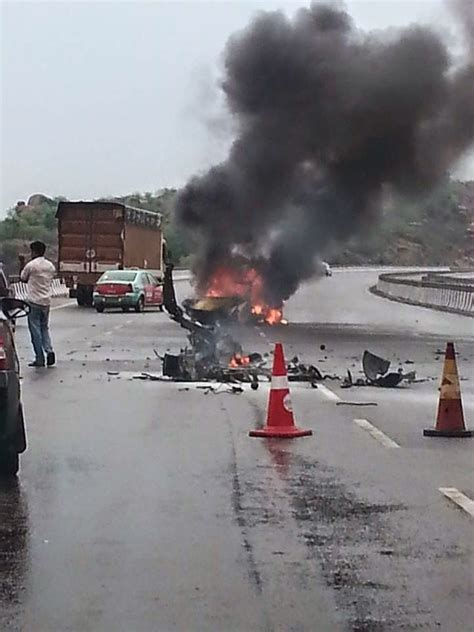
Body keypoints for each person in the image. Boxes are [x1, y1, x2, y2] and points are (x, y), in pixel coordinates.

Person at [20, 241, 56, 367]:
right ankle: (49, 349)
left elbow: (23, 278)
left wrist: (22, 263)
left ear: (34, 252)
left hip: (34, 301)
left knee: (35, 330)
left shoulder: (31, 265)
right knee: (44, 328)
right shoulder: (50, 266)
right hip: (46, 301)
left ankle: (39, 358)